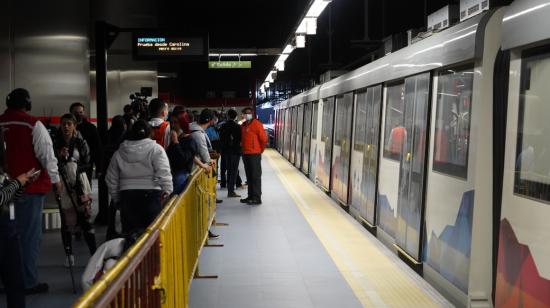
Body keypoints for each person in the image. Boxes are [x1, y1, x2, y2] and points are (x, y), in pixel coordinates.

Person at [0, 88, 61, 294]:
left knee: (5, 236)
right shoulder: (33, 124)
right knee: (27, 237)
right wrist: (55, 179)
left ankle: (5, 281)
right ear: (27, 104)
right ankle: (26, 282)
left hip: (3, 190)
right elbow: (46, 154)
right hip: (29, 188)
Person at [105, 120, 173, 234]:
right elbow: (164, 171)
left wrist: (117, 198)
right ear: (150, 132)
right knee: (151, 235)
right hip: (151, 196)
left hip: (127, 197)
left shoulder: (119, 152)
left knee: (130, 235)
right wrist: (167, 190)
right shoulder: (156, 149)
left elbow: (110, 178)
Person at [0, 128, 41, 308]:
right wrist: (18, 182)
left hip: (9, 232)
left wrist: (23, 183)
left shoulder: (3, 171)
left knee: (15, 283)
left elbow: (10, 197)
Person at [53, 114, 97, 261]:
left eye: (69, 124)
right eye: (63, 124)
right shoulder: (55, 143)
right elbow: (50, 164)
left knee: (85, 217)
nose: (66, 126)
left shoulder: (80, 142)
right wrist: (60, 157)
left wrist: (73, 163)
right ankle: (69, 254)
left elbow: (88, 162)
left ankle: (94, 253)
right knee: (65, 219)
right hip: (62, 184)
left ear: (74, 126)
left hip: (80, 183)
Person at [189, 109, 221, 238]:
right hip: (195, 172)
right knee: (201, 203)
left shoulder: (194, 130)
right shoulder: (198, 134)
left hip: (193, 171)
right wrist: (209, 161)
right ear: (210, 120)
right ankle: (203, 232)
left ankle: (204, 230)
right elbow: (204, 155)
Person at [167, 112, 210, 194]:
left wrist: (176, 142)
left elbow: (184, 159)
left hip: (181, 174)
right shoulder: (171, 137)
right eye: (171, 122)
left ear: (182, 124)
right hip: (170, 172)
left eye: (175, 122)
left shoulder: (189, 140)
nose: (172, 125)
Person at [103, 116, 127, 240]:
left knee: (113, 201)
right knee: (118, 202)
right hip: (120, 172)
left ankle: (111, 228)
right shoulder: (123, 138)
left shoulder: (108, 134)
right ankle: (119, 229)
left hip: (110, 170)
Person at [240, 107, 268, 205]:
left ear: (251, 114)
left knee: (255, 176)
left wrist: (260, 150)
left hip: (254, 154)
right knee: (249, 176)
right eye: (244, 113)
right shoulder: (243, 125)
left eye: (248, 113)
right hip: (246, 154)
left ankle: (256, 198)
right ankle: (250, 196)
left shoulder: (257, 124)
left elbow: (264, 139)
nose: (246, 115)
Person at [220, 109, 242, 198]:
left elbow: (221, 138)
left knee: (229, 170)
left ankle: (230, 190)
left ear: (228, 116)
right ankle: (231, 191)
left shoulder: (223, 126)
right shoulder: (237, 126)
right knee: (233, 171)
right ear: (236, 117)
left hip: (226, 152)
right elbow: (240, 139)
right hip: (235, 152)